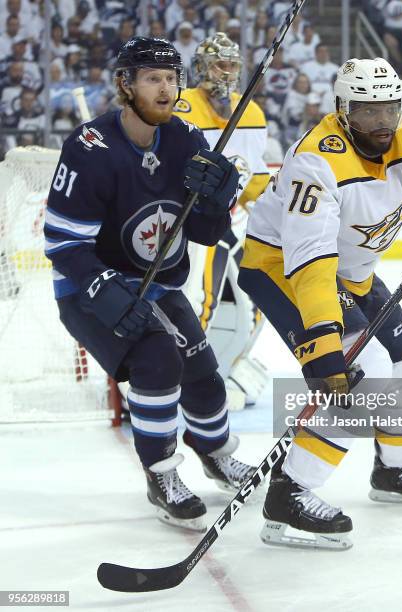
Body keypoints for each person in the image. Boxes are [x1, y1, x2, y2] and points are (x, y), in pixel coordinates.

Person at [238, 57, 402, 549]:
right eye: (366, 111)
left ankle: (394, 471)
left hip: (354, 272)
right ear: (342, 110)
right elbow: (309, 260)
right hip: (282, 268)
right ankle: (291, 492)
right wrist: (324, 341)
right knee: (360, 371)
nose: (381, 122)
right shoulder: (316, 162)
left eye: (389, 109)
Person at [43, 37, 257, 533]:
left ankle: (215, 453)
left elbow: (205, 232)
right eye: (152, 79)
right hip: (87, 287)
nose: (165, 89)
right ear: (126, 84)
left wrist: (215, 201)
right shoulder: (89, 147)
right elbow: (62, 242)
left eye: (171, 78)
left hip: (157, 284)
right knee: (157, 359)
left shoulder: (185, 139)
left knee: (203, 373)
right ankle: (160, 474)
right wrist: (102, 287)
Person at [172, 32, 271, 411]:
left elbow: (255, 178)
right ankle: (179, 375)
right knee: (199, 296)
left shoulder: (253, 112)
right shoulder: (183, 108)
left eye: (232, 65)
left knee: (262, 295)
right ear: (200, 69)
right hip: (192, 222)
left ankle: (232, 365)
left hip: (236, 221)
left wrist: (270, 206)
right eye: (219, 64)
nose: (227, 73)